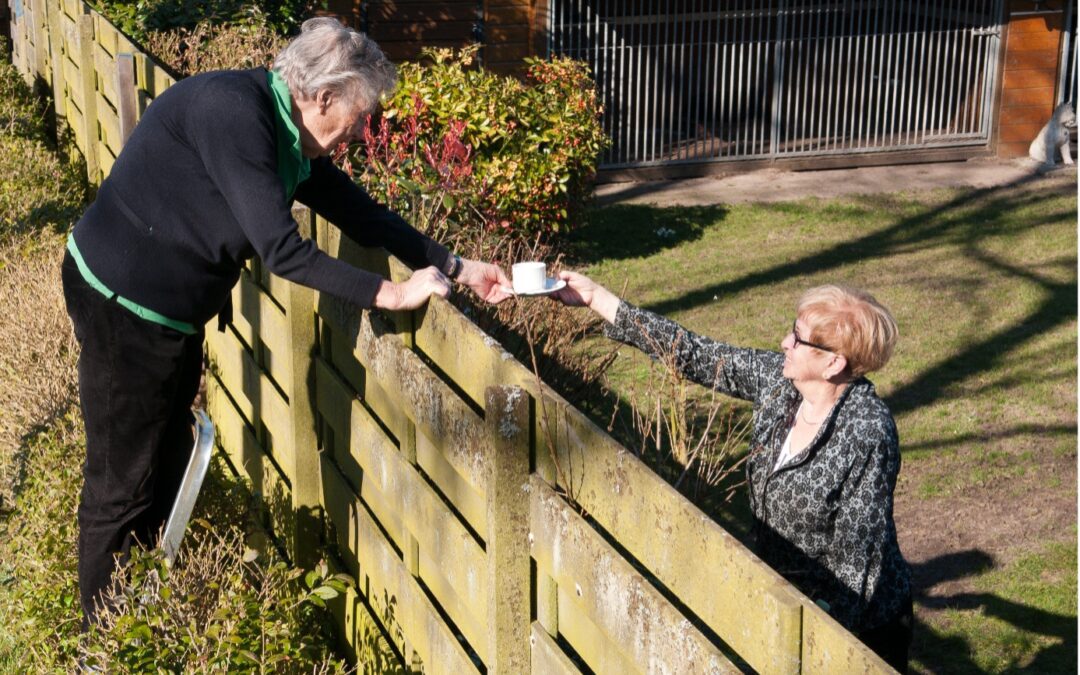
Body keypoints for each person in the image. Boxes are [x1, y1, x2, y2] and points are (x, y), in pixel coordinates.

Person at [61, 17, 512, 627]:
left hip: (169, 319)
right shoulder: (235, 117)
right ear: (323, 97)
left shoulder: (283, 131)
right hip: (125, 308)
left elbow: (359, 213)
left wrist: (456, 266)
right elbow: (283, 252)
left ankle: (141, 618)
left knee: (161, 467)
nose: (362, 131)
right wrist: (391, 294)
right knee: (121, 488)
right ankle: (103, 648)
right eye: (360, 115)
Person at [553, 273, 913, 671]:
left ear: (833, 362)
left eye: (798, 338)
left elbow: (856, 560)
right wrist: (598, 299)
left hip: (853, 628)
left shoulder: (867, 430)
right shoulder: (779, 383)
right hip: (780, 602)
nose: (784, 344)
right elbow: (695, 354)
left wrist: (818, 647)